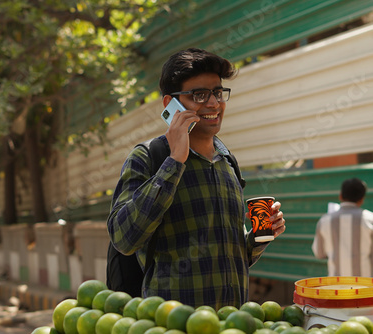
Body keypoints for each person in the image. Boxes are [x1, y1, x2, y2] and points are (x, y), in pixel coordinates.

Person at [107, 48, 286, 309]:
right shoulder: (148, 157)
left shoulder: (227, 163)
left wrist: (260, 236)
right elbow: (123, 238)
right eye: (199, 95)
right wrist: (174, 162)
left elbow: (231, 256)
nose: (213, 103)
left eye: (217, 92)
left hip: (230, 323)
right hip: (172, 324)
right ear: (171, 104)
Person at [312, 178, 373, 276]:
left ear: (340, 196)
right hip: (365, 288)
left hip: (336, 287)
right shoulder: (370, 220)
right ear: (361, 200)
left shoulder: (324, 221)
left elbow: (319, 253)